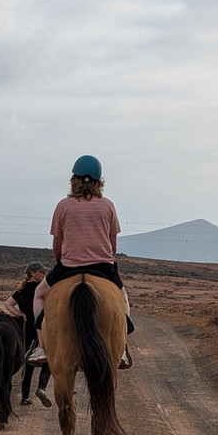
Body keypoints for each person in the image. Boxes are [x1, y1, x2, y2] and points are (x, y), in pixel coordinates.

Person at [26, 155, 133, 368]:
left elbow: (57, 243)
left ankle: (41, 345)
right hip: (103, 267)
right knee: (123, 299)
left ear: (73, 179)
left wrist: (61, 259)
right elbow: (112, 244)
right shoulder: (108, 206)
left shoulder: (63, 206)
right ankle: (121, 348)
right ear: (98, 181)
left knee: (38, 294)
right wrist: (105, 256)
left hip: (69, 267)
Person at [3, 262, 53, 406]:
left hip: (26, 330)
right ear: (33, 273)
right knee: (48, 360)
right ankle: (41, 388)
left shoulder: (21, 290)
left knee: (28, 365)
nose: (44, 274)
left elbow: (8, 304)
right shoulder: (42, 289)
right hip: (42, 329)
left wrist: (20, 314)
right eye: (42, 272)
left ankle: (25, 398)